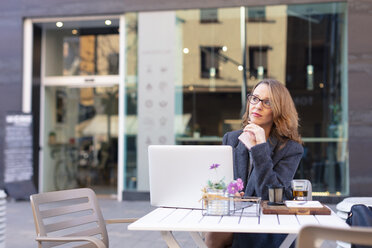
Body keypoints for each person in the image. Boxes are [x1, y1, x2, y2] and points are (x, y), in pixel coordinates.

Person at [205, 78, 304, 248]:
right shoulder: (232, 138)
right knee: (213, 233)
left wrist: (259, 149)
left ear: (278, 110)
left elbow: (271, 196)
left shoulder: (290, 149)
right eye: (255, 98)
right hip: (234, 215)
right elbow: (223, 181)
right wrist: (228, 194)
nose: (258, 106)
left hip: (267, 222)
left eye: (267, 102)